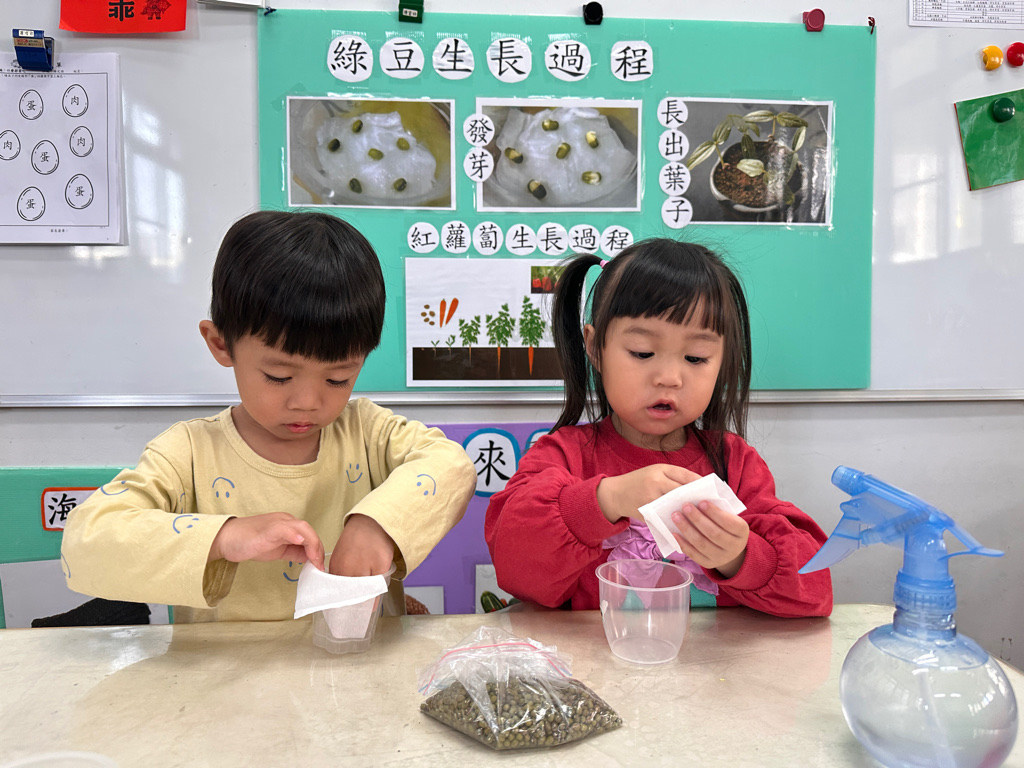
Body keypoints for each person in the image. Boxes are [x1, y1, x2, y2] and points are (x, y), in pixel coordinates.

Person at [61, 210, 477, 622]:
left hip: (359, 665)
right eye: (279, 376)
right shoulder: (188, 453)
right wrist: (223, 537)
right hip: (224, 667)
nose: (307, 402)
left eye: (338, 379)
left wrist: (378, 525)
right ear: (221, 344)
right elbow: (86, 540)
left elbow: (451, 465)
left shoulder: (367, 432)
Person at [484, 240, 832, 618]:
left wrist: (740, 557)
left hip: (713, 657)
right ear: (595, 347)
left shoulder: (736, 463)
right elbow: (515, 568)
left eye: (696, 357)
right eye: (642, 352)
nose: (669, 377)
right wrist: (607, 499)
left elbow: (815, 590)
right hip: (596, 655)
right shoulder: (563, 455)